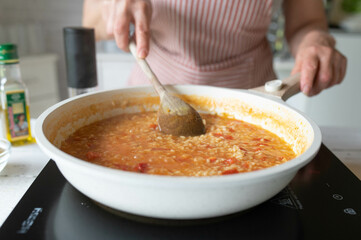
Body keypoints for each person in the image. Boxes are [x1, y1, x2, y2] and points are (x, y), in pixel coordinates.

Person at [83, 0, 347, 96]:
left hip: (251, 99)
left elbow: (307, 23)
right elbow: (90, 22)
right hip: (152, 93)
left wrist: (315, 42)